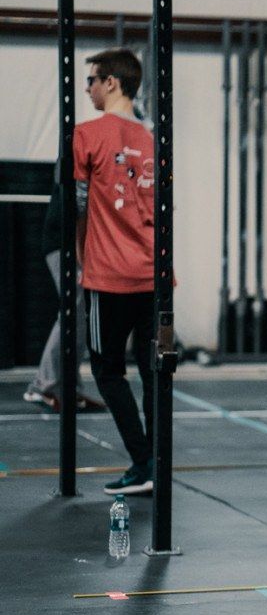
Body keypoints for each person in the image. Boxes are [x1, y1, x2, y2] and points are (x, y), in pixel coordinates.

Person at [75, 48, 159, 495]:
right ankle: (154, 464)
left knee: (108, 372)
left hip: (109, 277)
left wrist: (81, 262)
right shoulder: (152, 139)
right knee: (152, 373)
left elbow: (75, 206)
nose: (86, 88)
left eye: (91, 80)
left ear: (111, 83)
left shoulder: (86, 135)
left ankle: (145, 463)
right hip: (154, 277)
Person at [23, 178, 103, 413]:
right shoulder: (79, 147)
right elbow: (80, 205)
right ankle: (43, 386)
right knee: (74, 313)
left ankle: (68, 389)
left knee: (81, 317)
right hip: (65, 244)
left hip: (76, 243)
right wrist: (82, 258)